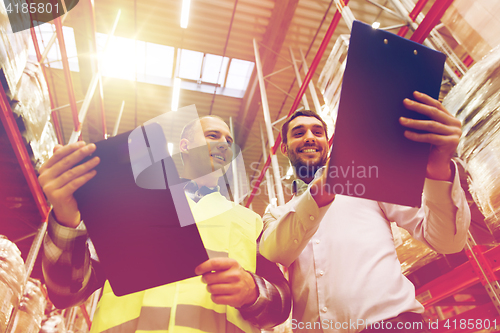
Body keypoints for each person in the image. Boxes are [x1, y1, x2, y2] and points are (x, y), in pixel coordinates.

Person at [39, 115, 291, 333]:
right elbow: (68, 291)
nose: (224, 144)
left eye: (228, 140)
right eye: (213, 135)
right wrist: (66, 219)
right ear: (185, 146)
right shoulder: (132, 207)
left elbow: (281, 304)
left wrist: (253, 291)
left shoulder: (250, 221)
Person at [259, 91, 471, 333]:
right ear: (285, 148)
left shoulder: (369, 183)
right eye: (299, 133)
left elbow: (447, 241)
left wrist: (438, 169)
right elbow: (276, 252)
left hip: (392, 327)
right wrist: (319, 194)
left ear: (327, 144)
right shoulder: (276, 214)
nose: (309, 137)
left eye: (317, 132)